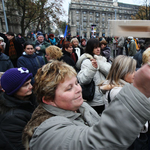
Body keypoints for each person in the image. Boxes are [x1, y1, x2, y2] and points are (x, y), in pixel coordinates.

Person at [22, 60, 150, 150]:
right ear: (48, 99)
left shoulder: (81, 107)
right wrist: (139, 89)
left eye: (77, 83)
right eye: (69, 88)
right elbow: (93, 143)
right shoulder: (46, 131)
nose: (78, 89)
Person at [0, 67, 37, 150]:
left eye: (30, 83)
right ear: (14, 89)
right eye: (26, 85)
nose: (31, 87)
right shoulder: (11, 118)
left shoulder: (30, 99)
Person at [76, 38, 111, 114]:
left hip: (104, 97)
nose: (98, 49)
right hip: (94, 99)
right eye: (95, 47)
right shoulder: (87, 62)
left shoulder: (102, 59)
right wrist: (92, 68)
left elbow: (110, 73)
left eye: (99, 47)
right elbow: (83, 80)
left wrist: (99, 63)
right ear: (90, 48)